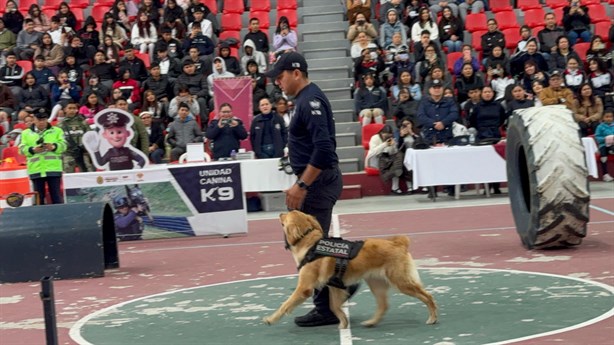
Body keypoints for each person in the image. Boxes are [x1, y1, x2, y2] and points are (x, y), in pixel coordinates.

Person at [264, 52, 354, 327]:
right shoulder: (304, 99)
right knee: (314, 242)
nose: (278, 83)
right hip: (316, 181)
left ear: (296, 73)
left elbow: (325, 149)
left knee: (310, 244)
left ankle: (327, 306)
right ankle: (345, 280)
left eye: (280, 77)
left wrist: (302, 184)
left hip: (317, 183)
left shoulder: (310, 101)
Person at [18, 110, 66, 205]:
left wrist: (53, 147)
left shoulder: (57, 131)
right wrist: (33, 149)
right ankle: (38, 219)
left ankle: (60, 217)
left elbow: (64, 145)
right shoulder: (26, 133)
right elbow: (21, 149)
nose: (42, 122)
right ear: (34, 120)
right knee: (38, 199)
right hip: (36, 169)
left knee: (56, 197)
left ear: (47, 119)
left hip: (53, 169)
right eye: (39, 119)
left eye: (44, 119)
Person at [82, 108, 148, 170]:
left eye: (119, 132)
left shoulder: (128, 151)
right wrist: (96, 151)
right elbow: (101, 163)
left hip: (130, 180)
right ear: (105, 135)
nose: (116, 136)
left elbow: (142, 160)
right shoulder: (110, 152)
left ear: (127, 133)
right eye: (112, 133)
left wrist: (136, 169)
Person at [365, 124, 412, 195]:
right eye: (386, 135)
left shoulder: (391, 139)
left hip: (389, 159)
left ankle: (394, 184)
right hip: (376, 159)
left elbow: (393, 152)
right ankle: (396, 185)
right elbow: (372, 153)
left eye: (389, 136)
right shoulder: (375, 138)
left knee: (399, 156)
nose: (387, 137)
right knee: (396, 165)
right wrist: (385, 144)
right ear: (381, 133)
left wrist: (393, 146)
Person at [418, 78, 459, 145]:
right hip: (429, 136)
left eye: (439, 87)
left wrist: (443, 123)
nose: (437, 90)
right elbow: (421, 116)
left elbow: (454, 114)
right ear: (430, 90)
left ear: (442, 89)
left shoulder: (449, 101)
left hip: (447, 136)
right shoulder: (424, 102)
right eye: (434, 88)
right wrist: (433, 124)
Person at [59, 100, 92, 173]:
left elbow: (90, 137)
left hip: (82, 154)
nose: (72, 110)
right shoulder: (61, 125)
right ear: (65, 109)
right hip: (68, 154)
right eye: (70, 108)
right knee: (68, 177)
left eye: (74, 108)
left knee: (88, 175)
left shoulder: (83, 123)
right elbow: (59, 141)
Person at [595, 108, 614, 182]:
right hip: (603, 145)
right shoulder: (600, 127)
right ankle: (605, 174)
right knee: (603, 157)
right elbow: (597, 137)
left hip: (613, 145)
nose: (609, 118)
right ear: (603, 118)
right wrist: (606, 138)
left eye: (611, 117)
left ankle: (611, 151)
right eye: (607, 117)